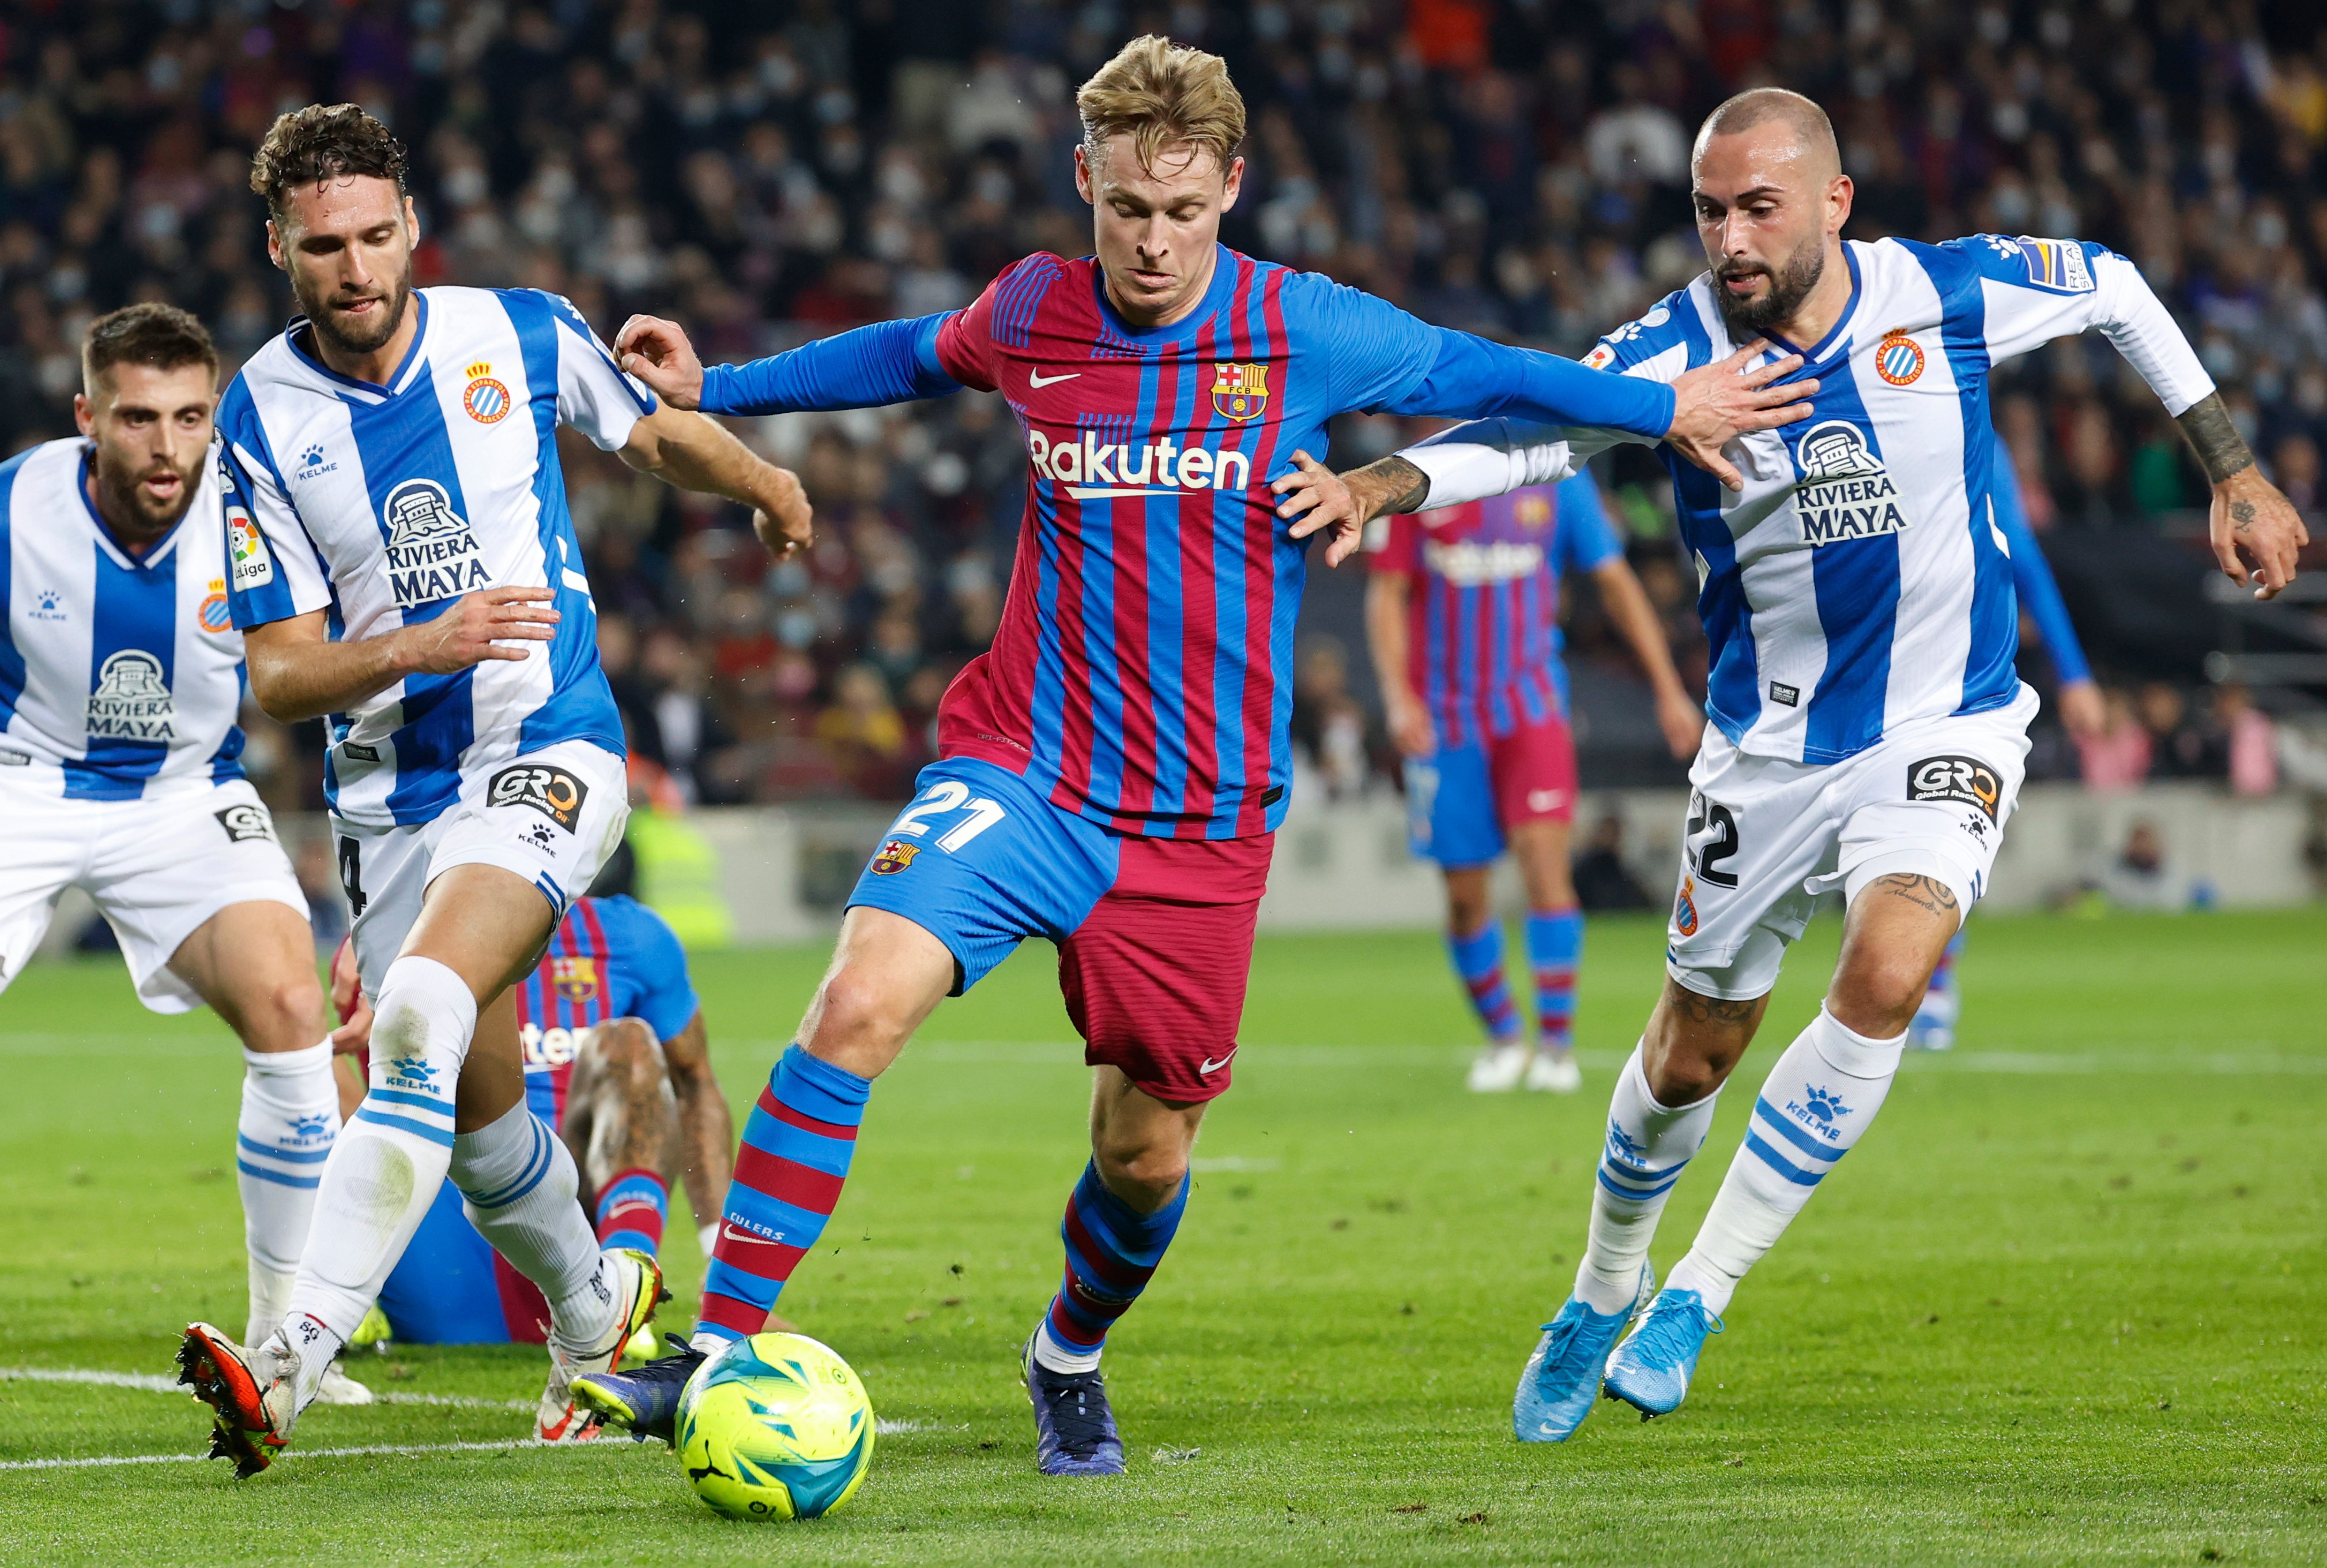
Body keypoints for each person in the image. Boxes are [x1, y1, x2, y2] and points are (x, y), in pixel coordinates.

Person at [568, 35, 1812, 1477]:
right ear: (1083, 181)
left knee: (1143, 1159)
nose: (1151, 245)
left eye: (1180, 212)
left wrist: (1665, 406)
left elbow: (1496, 374)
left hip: (1199, 828)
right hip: (1021, 769)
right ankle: (711, 1351)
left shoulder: (1305, 327)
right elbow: (904, 355)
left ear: (1229, 186)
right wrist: (717, 381)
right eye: (1124, 211)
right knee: (856, 999)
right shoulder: (1034, 308)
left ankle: (1067, 1354)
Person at [1273, 86, 2305, 1441]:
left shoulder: (1944, 296)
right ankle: (1601, 1285)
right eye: (1707, 210)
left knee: (1886, 967)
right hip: (1764, 749)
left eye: (1757, 206)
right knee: (1691, 1054)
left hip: (1946, 719)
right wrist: (1377, 487)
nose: (1728, 237)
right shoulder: (1674, 353)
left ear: (1833, 202)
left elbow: (2113, 287)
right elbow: (1532, 430)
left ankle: (1695, 1293)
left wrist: (2227, 466)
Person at [176, 103, 813, 1476]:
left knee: (410, 1008)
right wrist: (421, 641)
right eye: (322, 247)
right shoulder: (257, 422)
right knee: (474, 1122)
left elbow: (649, 436)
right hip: (392, 809)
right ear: (280, 247)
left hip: (551, 747)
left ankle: (283, 1365)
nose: (354, 269)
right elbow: (280, 678)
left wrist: (764, 480)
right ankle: (598, 1333)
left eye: (373, 236)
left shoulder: (519, 331)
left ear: (410, 224)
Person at [0, 304, 373, 1405]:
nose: (166, 446)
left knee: (289, 1008)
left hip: (185, 796)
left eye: (190, 417)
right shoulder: (15, 506)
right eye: (137, 419)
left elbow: (337, 688)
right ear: (87, 418)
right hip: (21, 783)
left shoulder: (262, 514)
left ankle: (282, 1340)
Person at [324, 887, 736, 1415]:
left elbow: (697, 1085)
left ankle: (628, 1297)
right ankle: (332, 1296)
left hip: (569, 1219)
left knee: (629, 1045)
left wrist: (718, 1265)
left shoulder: (631, 937)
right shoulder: (396, 930)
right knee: (302, 1065)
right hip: (443, 1227)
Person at [1366, 466, 1701, 1094]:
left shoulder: (1558, 481)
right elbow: (1387, 591)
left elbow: (1614, 580)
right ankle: (1503, 1039)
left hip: (1533, 713)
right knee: (1465, 897)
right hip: (1445, 722)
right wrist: (1397, 696)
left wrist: (1667, 690)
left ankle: (1554, 1045)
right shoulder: (1431, 476)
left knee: (1545, 870)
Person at [1910, 443, 2106, 1051]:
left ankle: (1934, 982)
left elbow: (2021, 554)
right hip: (1860, 674)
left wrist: (2071, 671)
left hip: (1958, 676)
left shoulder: (1973, 434)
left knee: (1939, 830)